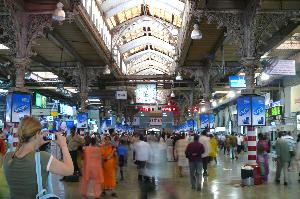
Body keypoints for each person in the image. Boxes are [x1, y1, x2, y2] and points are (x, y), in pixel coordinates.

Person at [3, 116, 73, 199]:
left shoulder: (7, 157)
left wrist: (37, 144)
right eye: (40, 133)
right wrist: (63, 145)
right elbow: (69, 170)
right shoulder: (42, 158)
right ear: (36, 134)